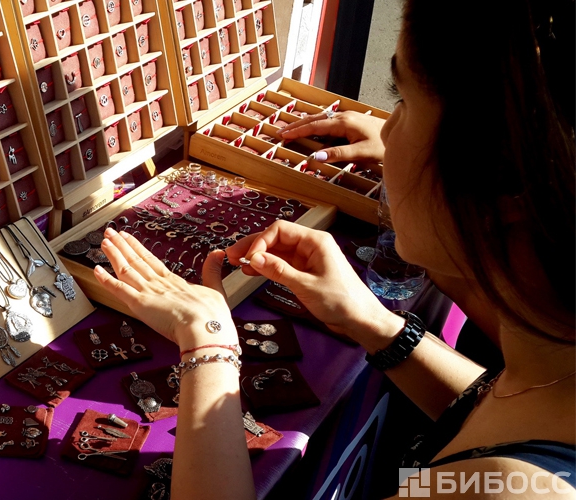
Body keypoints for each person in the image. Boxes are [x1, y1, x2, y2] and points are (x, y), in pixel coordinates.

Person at [92, 0, 575, 498]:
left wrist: (208, 346)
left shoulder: (510, 491)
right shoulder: (553, 364)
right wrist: (375, 324)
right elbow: (499, 417)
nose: (383, 131)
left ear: (501, 180)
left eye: (402, 101)